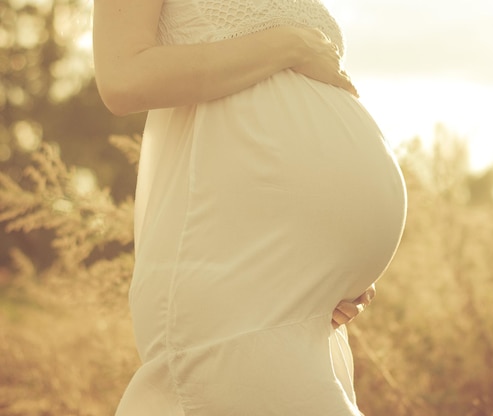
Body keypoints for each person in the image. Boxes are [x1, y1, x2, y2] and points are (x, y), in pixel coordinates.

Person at [92, 0, 406, 415]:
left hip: (295, 298)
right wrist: (290, 44)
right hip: (230, 270)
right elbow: (123, 77)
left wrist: (334, 266)